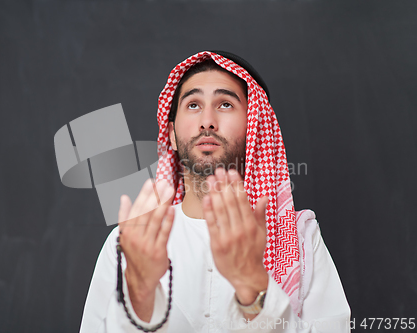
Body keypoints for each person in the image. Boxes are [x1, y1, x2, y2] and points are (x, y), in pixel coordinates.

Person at [79, 51, 350, 332]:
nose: (207, 121)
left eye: (225, 105)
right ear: (171, 133)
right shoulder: (131, 243)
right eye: (193, 105)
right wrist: (139, 297)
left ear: (253, 127)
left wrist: (255, 287)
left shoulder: (300, 240)